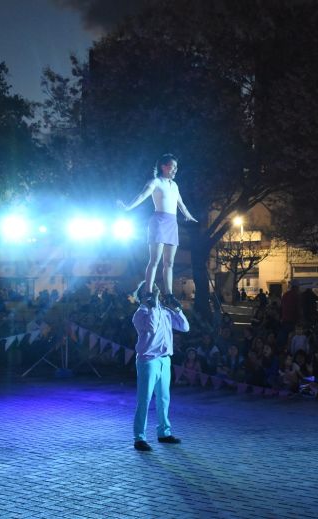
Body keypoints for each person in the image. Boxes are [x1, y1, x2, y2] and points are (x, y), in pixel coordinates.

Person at [117, 154, 198, 309]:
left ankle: (169, 295)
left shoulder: (174, 185)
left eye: (176, 167)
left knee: (169, 263)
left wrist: (190, 217)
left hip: (172, 223)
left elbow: (181, 204)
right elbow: (142, 195)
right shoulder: (155, 182)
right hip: (159, 222)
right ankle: (148, 293)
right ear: (164, 166)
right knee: (154, 260)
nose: (175, 169)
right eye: (173, 166)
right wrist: (127, 208)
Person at [132, 281, 189, 452]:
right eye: (152, 290)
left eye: (157, 289)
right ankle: (139, 437)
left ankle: (164, 433)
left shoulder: (164, 311)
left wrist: (178, 309)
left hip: (165, 359)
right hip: (148, 360)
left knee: (164, 398)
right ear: (144, 295)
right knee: (145, 399)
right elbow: (152, 326)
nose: (157, 291)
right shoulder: (140, 314)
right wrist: (152, 305)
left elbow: (185, 327)